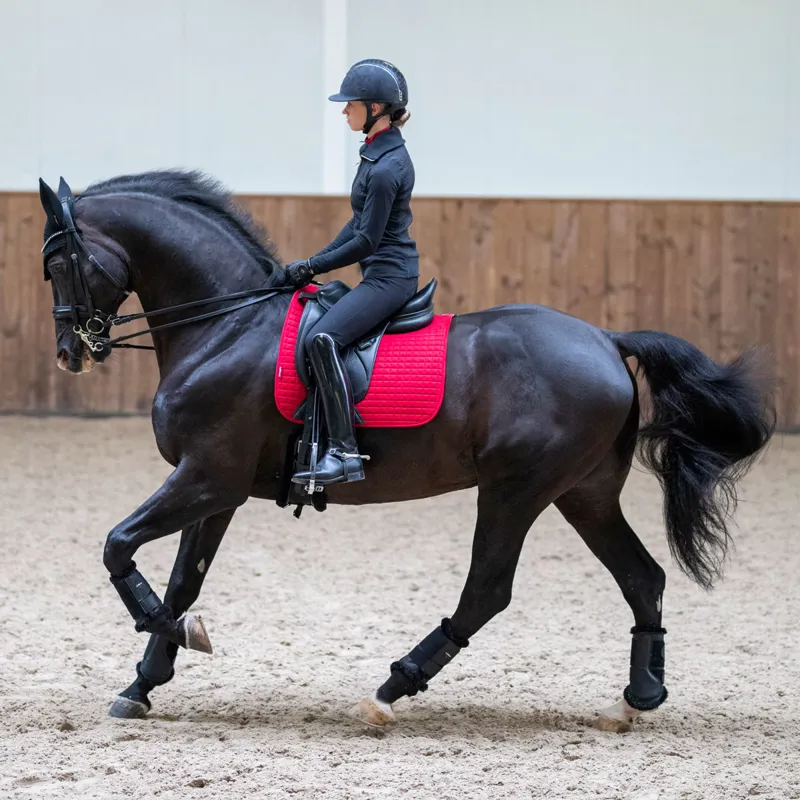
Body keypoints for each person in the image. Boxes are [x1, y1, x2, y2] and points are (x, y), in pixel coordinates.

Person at [284, 59, 419, 487]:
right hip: (379, 272)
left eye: (350, 105)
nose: (344, 111)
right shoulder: (376, 154)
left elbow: (367, 242)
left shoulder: (385, 168)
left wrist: (312, 266)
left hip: (389, 277)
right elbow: (357, 224)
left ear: (376, 107)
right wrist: (312, 261)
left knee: (324, 339)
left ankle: (343, 452)